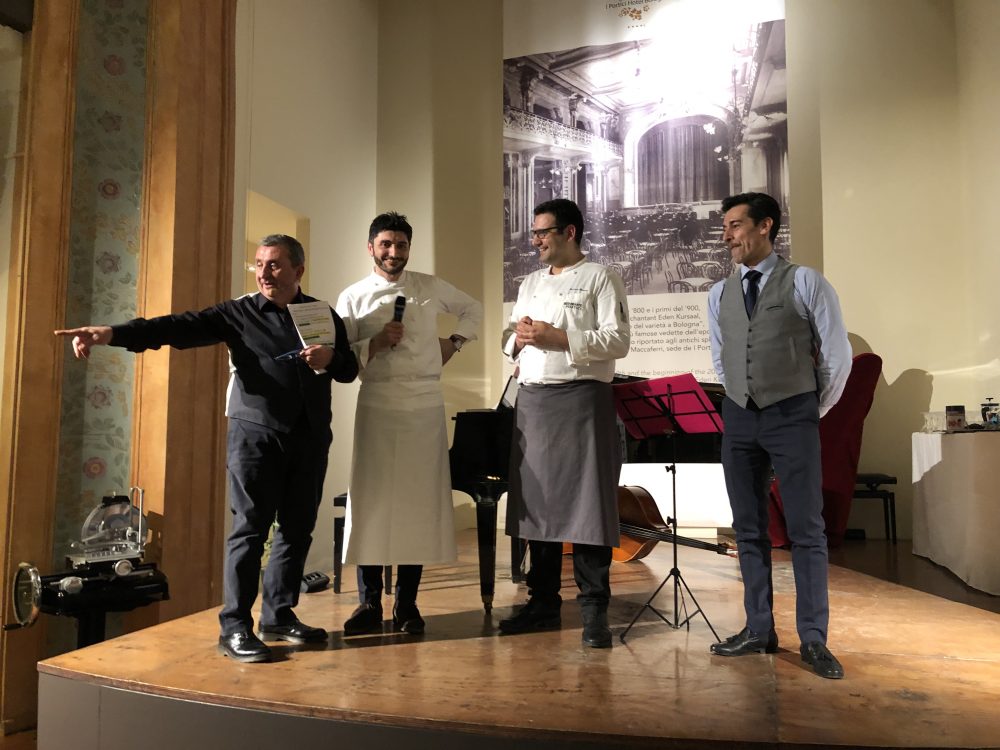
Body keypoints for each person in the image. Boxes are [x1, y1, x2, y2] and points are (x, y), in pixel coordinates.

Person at [55, 234, 358, 663]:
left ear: (298, 270)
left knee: (296, 528)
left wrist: (332, 360)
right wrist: (111, 333)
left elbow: (349, 369)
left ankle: (278, 615)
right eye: (259, 264)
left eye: (274, 264)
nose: (264, 273)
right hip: (255, 436)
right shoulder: (238, 313)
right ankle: (235, 626)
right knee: (250, 530)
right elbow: (176, 327)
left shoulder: (322, 314)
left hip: (310, 436)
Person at [707, 192, 852, 679]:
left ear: (765, 225)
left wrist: (810, 407)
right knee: (748, 528)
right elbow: (721, 356)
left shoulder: (806, 281)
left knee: (807, 530)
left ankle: (813, 638)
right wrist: (741, 396)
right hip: (739, 417)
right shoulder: (718, 293)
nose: (727, 235)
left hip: (793, 413)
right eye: (725, 227)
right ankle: (758, 628)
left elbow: (836, 355)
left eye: (735, 225)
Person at [335, 211, 482, 635]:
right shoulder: (352, 296)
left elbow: (473, 309)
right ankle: (368, 603)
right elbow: (342, 355)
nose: (393, 252)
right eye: (386, 244)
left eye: (400, 245)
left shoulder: (428, 286)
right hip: (377, 399)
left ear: (408, 248)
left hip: (424, 401)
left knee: (417, 503)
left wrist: (454, 342)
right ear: (371, 247)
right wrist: (377, 341)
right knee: (372, 500)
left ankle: (407, 603)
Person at [499, 198, 630, 649]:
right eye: (534, 232)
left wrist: (559, 337)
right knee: (538, 508)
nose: (534, 240)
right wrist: (517, 340)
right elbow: (508, 337)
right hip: (534, 404)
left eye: (542, 232)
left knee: (588, 508)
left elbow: (618, 340)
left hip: (581, 401)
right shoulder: (530, 282)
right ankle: (542, 603)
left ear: (569, 232)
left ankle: (594, 611)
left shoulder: (601, 277)